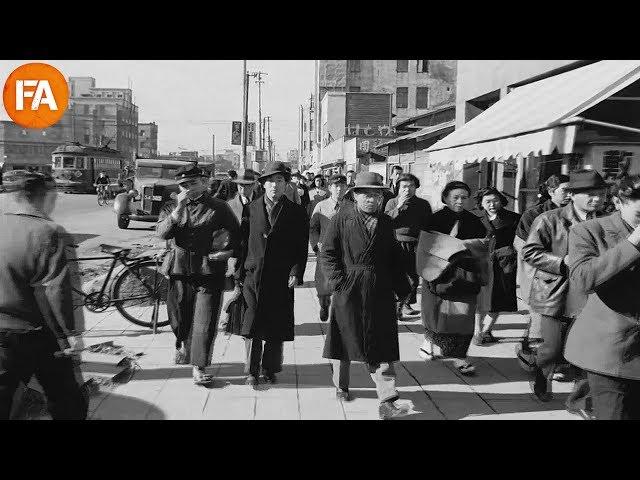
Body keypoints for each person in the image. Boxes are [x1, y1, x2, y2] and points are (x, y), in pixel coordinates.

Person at [320, 172, 412, 419]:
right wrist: (339, 281)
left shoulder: (385, 223)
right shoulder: (341, 219)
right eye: (366, 194)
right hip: (349, 288)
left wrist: (402, 288)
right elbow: (327, 253)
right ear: (355, 195)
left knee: (380, 344)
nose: (372, 199)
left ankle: (387, 400)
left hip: (378, 289)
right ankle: (341, 385)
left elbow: (393, 259)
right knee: (343, 340)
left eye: (377, 194)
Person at [0, 171, 87, 420]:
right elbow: (58, 289)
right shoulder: (49, 232)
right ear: (46, 197)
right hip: (39, 333)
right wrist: (71, 335)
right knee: (66, 399)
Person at [522, 169, 606, 402]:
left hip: (591, 292)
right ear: (572, 194)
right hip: (556, 291)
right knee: (551, 348)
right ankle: (541, 377)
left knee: (586, 349)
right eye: (589, 194)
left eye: (600, 193)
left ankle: (582, 398)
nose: (596, 199)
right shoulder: (549, 219)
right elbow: (530, 252)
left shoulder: (606, 220)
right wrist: (561, 262)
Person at [564, 175, 640, 420]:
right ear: (618, 202)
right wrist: (633, 243)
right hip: (613, 349)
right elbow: (583, 279)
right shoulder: (588, 231)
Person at [157, 164, 241, 385]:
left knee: (206, 319)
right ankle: (182, 341)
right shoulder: (170, 206)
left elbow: (237, 235)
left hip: (209, 270)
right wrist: (177, 211)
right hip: (179, 270)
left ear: (204, 183)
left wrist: (229, 252)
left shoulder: (219, 207)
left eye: (193, 183)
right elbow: (161, 233)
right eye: (183, 185)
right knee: (179, 317)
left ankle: (199, 366)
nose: (188, 188)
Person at [235, 162, 309, 386]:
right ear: (263, 184)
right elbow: (242, 242)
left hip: (281, 275)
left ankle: (270, 368)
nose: (274, 185)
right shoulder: (252, 208)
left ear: (286, 184)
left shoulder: (296, 212)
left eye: (279, 181)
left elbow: (300, 244)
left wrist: (297, 271)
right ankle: (251, 369)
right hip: (253, 274)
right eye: (270, 181)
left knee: (276, 324)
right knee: (252, 322)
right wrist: (238, 271)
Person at [417, 181, 488, 375]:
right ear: (446, 198)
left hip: (464, 276)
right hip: (438, 275)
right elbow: (425, 247)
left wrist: (464, 247)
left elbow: (483, 246)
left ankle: (460, 357)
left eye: (464, 198)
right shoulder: (434, 219)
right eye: (455, 197)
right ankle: (429, 341)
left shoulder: (475, 221)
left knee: (463, 317)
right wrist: (452, 248)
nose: (460, 201)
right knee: (435, 314)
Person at [513, 174, 570, 369]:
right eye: (565, 190)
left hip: (571, 277)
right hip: (543, 276)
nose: (570, 195)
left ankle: (559, 362)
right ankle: (532, 359)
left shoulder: (580, 213)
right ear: (551, 191)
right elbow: (522, 246)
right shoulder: (535, 215)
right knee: (541, 322)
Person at [472, 187, 521, 345]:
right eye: (488, 201)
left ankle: (485, 331)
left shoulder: (513, 218)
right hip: (481, 263)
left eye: (495, 200)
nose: (492, 204)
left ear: (501, 201)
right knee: (480, 299)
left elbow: (520, 240)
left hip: (503, 263)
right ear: (481, 203)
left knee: (498, 299)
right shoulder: (474, 218)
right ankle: (477, 331)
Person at [384, 173, 432, 319]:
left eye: (411, 186)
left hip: (416, 244)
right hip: (395, 243)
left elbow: (428, 225)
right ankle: (397, 303)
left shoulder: (423, 204)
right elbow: (386, 221)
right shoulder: (392, 202)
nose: (408, 189)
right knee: (396, 276)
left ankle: (404, 303)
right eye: (404, 186)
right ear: (398, 187)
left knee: (413, 278)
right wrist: (398, 207)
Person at [309, 174, 348, 322]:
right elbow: (313, 228)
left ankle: (342, 311)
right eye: (336, 186)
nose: (339, 189)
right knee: (323, 283)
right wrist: (315, 244)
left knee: (344, 282)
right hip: (325, 251)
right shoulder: (321, 206)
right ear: (330, 188)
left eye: (342, 186)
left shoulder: (351, 206)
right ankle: (324, 304)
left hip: (345, 251)